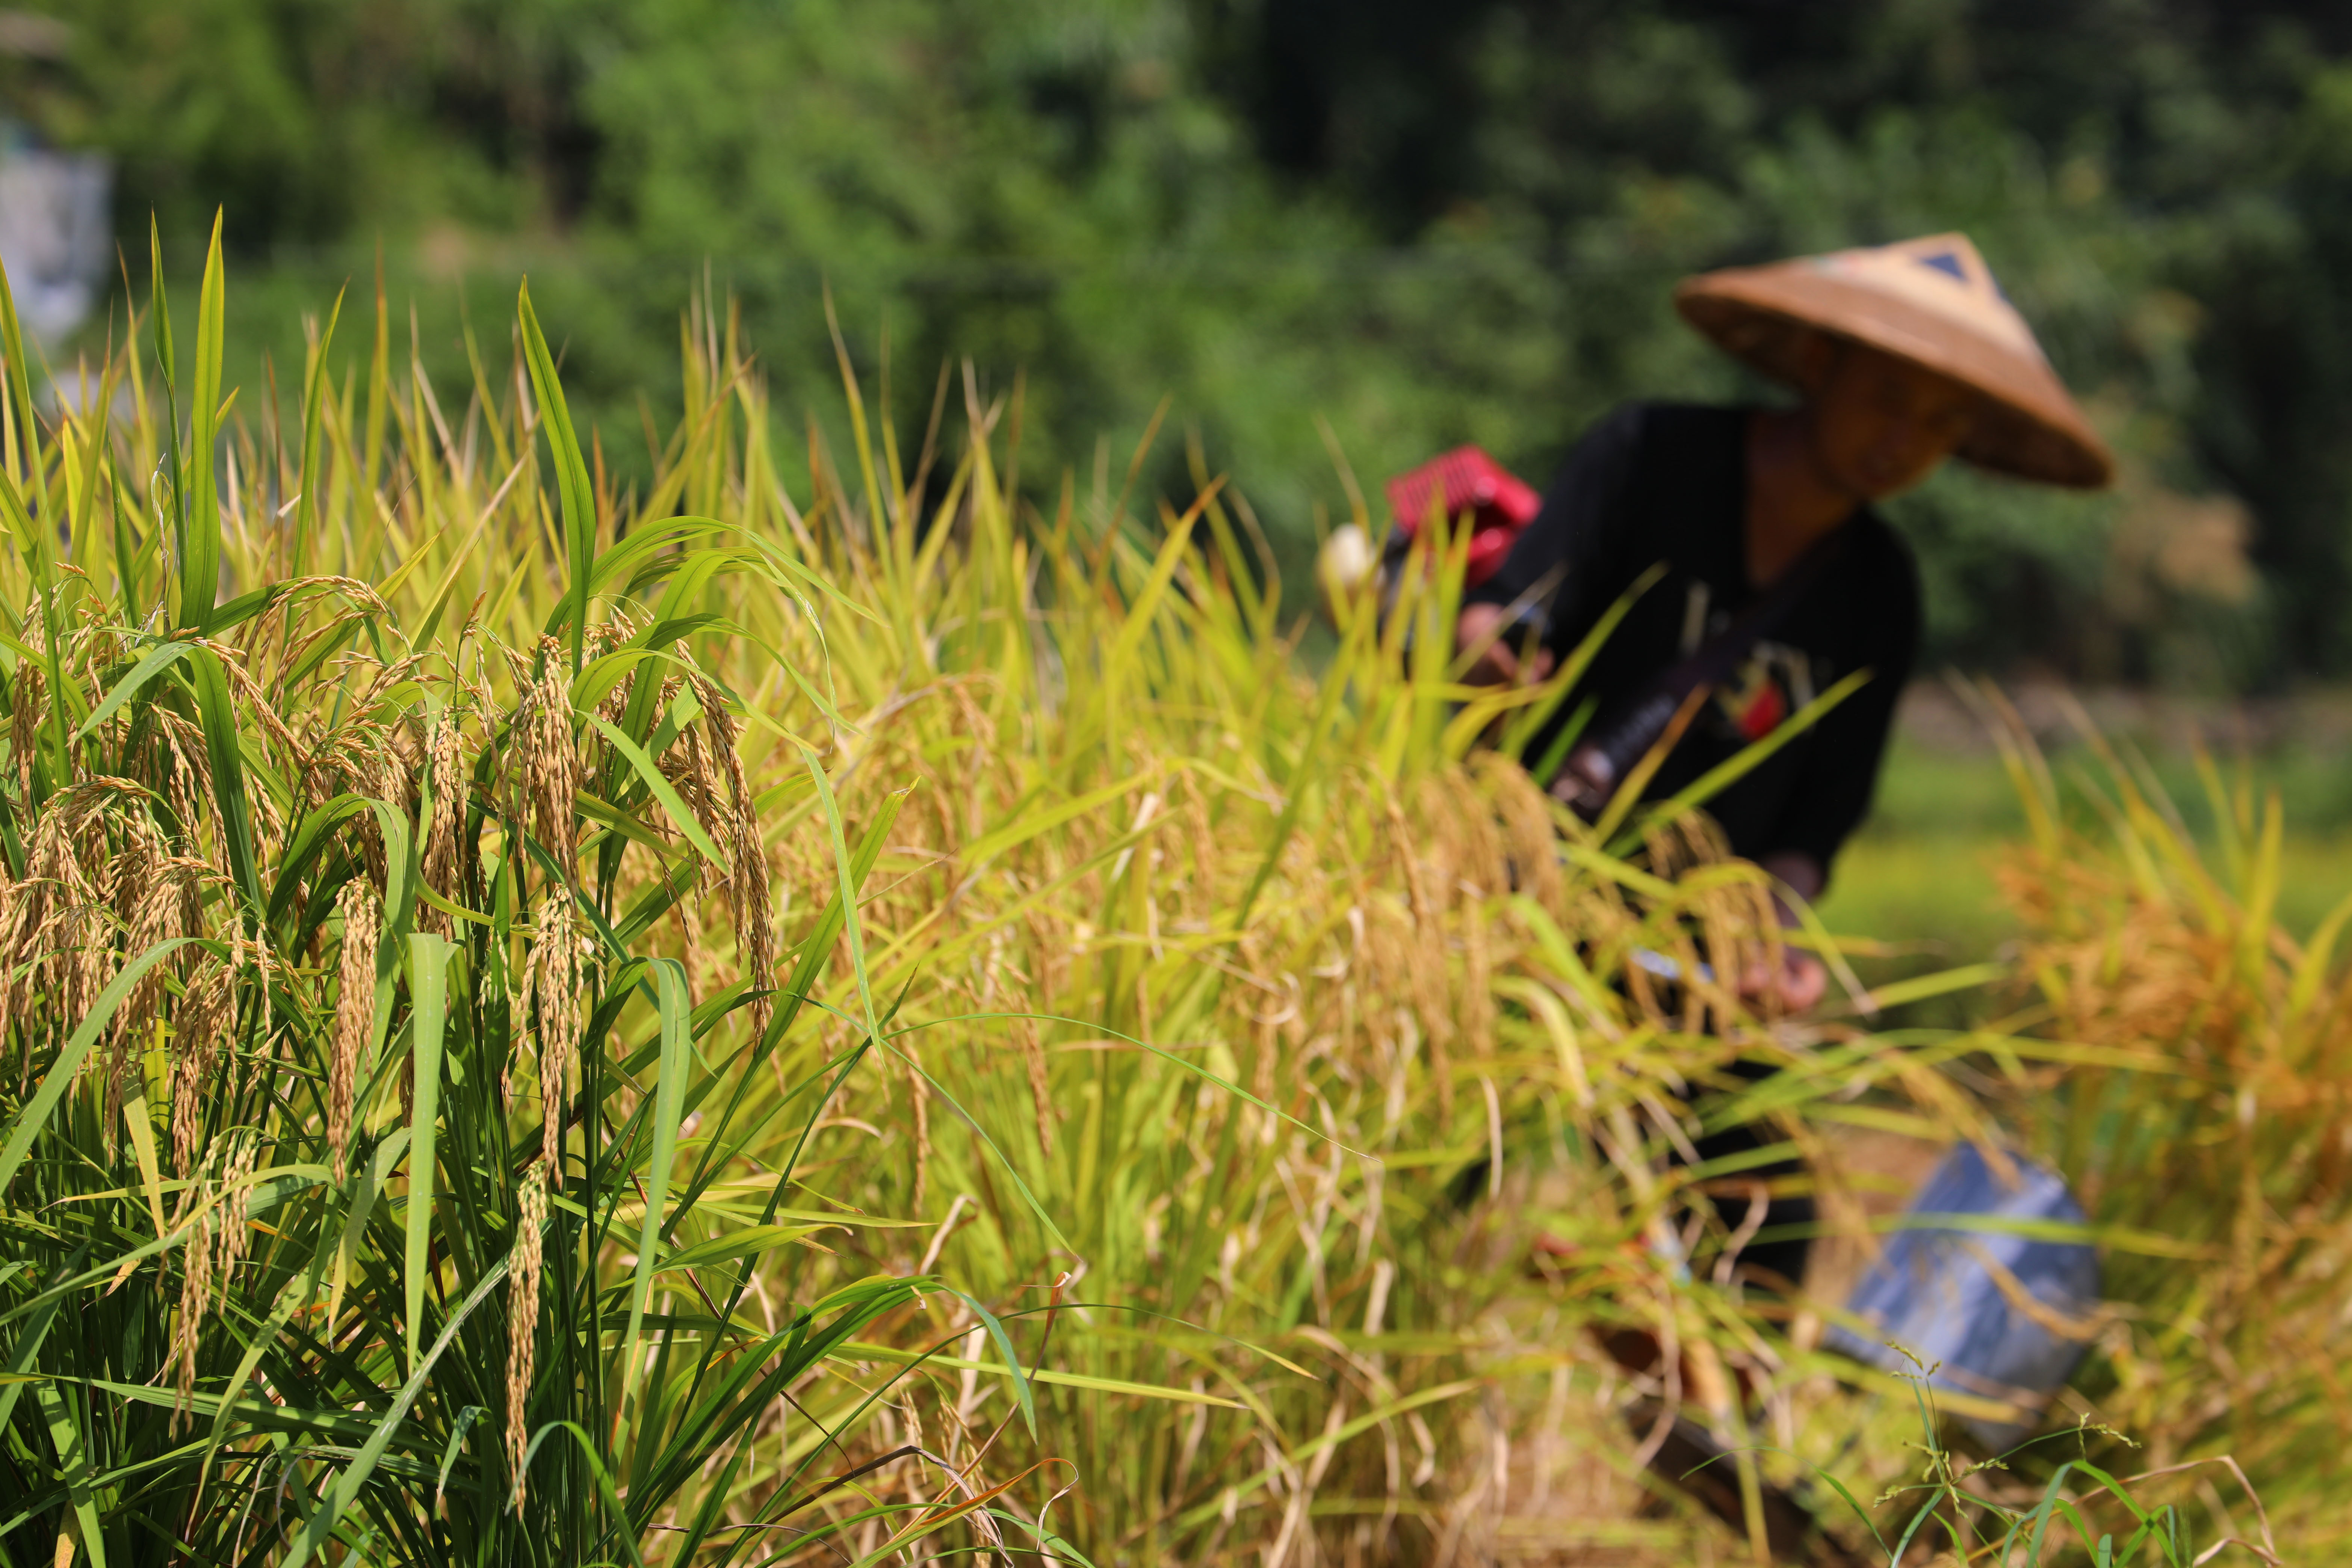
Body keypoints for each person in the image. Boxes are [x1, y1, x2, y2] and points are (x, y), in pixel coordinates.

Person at [1458, 232, 2112, 1012]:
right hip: (1510, 897)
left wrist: (1774, 938)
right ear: (1816, 363)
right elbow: (1506, 624)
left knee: (1759, 1136)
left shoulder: (1880, 590)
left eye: (1941, 423)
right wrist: (1478, 655)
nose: (1903, 442)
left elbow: (1814, 823)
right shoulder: (1649, 458)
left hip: (1683, 964)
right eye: (1888, 398)